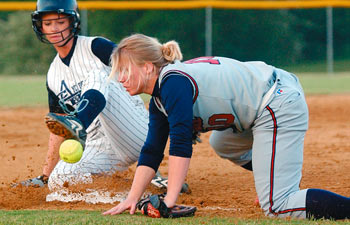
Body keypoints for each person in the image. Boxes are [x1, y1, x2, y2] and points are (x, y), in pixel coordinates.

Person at [103, 33, 350, 220]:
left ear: (148, 68)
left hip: (276, 102)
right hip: (271, 95)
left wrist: (170, 199)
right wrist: (132, 198)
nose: (121, 77)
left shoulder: (172, 83)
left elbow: (179, 143)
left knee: (277, 206)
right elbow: (153, 149)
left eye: (125, 70)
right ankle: (274, 174)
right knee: (222, 142)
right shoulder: (160, 97)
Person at [18, 0, 171, 193]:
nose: (54, 29)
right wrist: (46, 176)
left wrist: (171, 110)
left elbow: (140, 69)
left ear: (73, 22)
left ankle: (149, 166)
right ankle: (136, 191)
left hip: (134, 129)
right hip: (101, 146)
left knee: (97, 73)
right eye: (48, 24)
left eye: (60, 22)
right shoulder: (53, 75)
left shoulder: (95, 47)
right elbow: (58, 128)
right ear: (40, 27)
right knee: (59, 181)